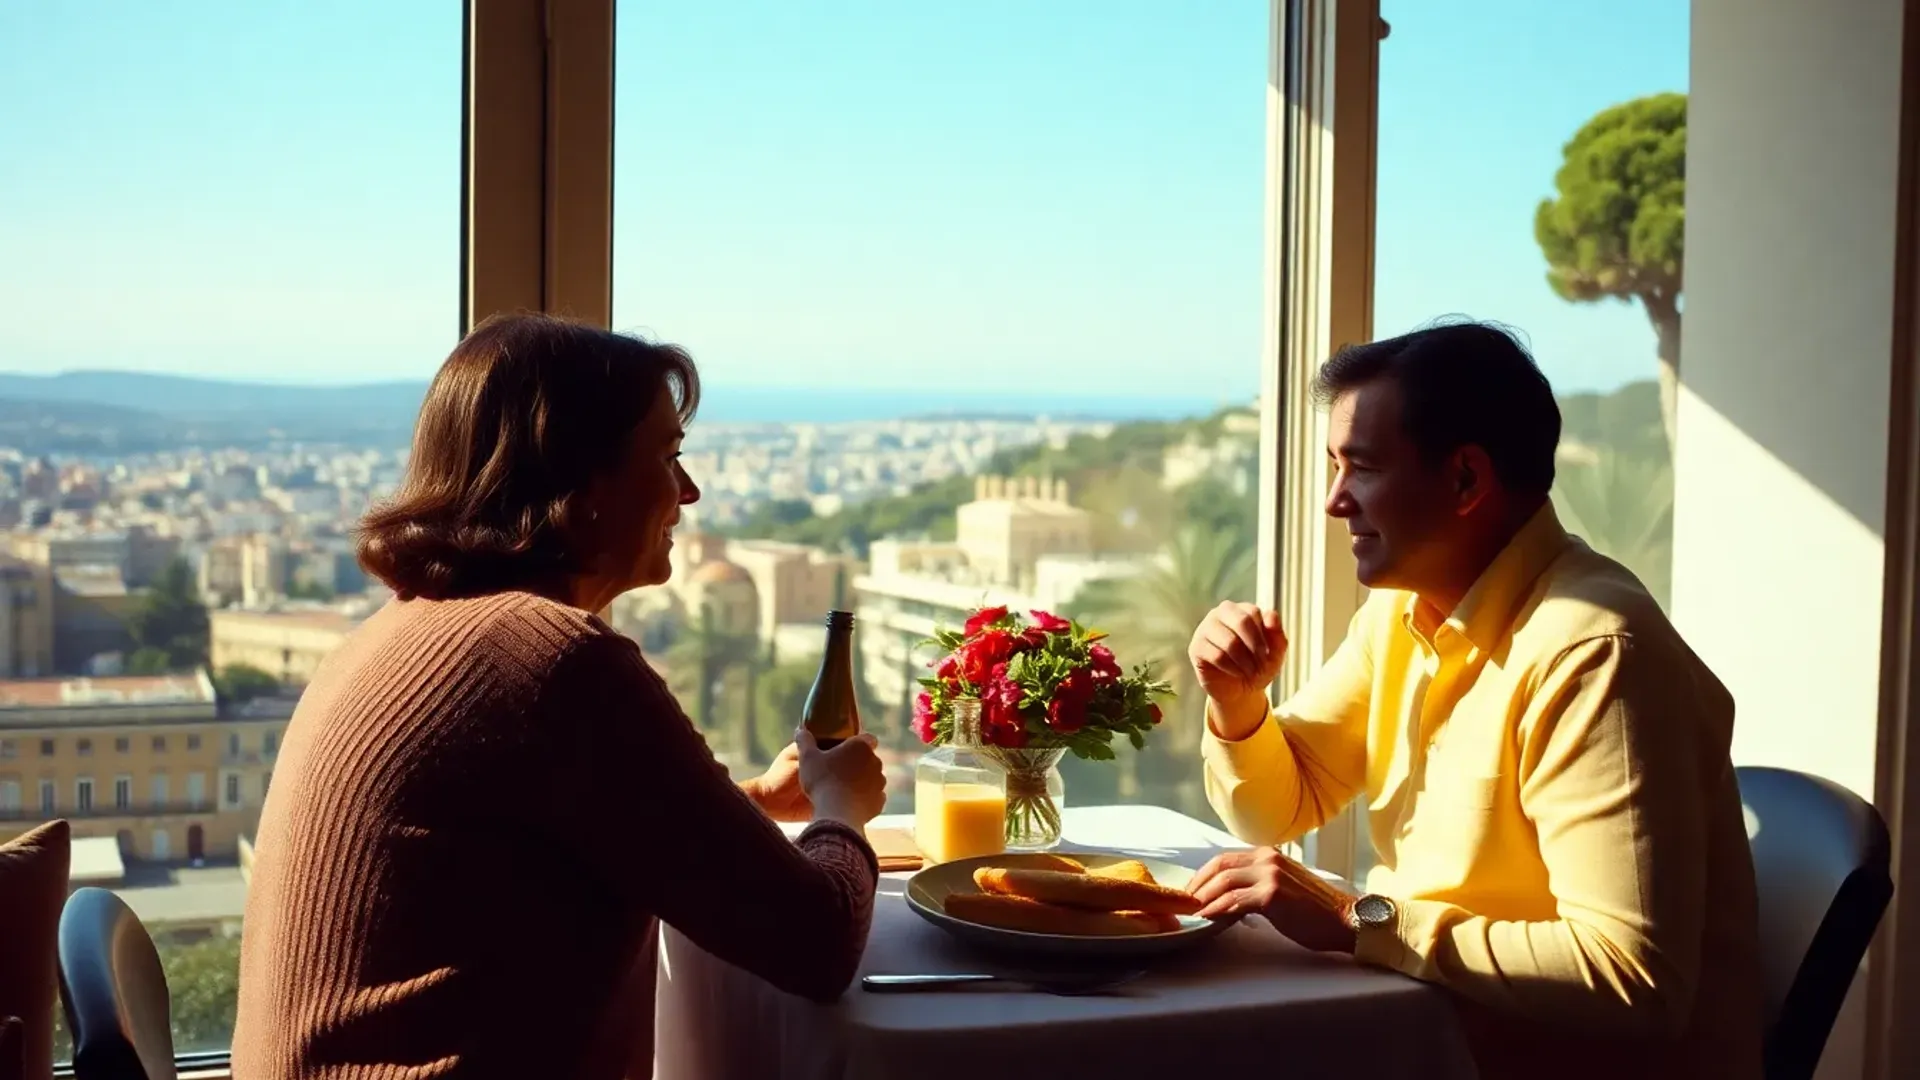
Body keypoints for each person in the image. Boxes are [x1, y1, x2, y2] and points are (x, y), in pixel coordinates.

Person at [231, 313, 889, 1080]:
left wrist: (749, 804)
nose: (689, 491)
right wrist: (842, 807)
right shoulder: (553, 661)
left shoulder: (402, 629)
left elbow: (528, 840)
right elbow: (817, 943)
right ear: (582, 482)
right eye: (668, 457)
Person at [1183, 322, 1762, 1079]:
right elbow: (1277, 806)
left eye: (1359, 467)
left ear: (1465, 480)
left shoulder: (1594, 656)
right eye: (1333, 467)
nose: (1333, 502)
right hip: (1429, 1033)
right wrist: (1239, 704)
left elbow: (1632, 981)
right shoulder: (1404, 612)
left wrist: (1355, 919)